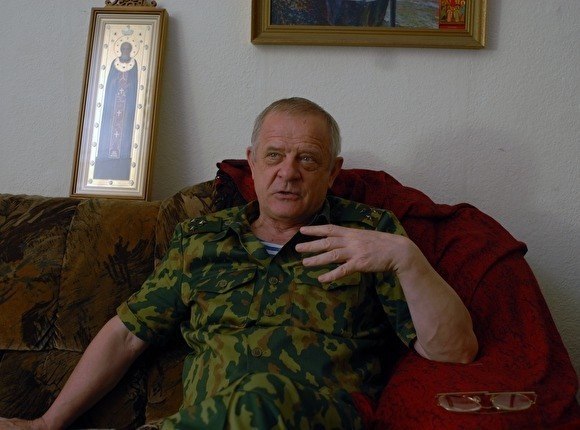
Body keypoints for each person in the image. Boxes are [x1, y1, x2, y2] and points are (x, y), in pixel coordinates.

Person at [0, 97, 477, 429]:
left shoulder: (371, 234)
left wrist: (407, 259)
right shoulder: (202, 238)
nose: (287, 172)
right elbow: (126, 335)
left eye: (308, 160)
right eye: (274, 156)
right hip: (206, 420)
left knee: (259, 395)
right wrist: (47, 423)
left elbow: (455, 351)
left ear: (333, 172)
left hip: (320, 416)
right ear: (252, 162)